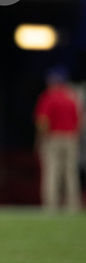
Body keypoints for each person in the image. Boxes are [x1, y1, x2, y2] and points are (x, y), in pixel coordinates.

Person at [34, 66, 81, 212]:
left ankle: (51, 205)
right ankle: (73, 205)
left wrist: (40, 138)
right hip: (71, 138)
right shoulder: (72, 97)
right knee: (71, 172)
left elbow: (42, 121)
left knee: (52, 171)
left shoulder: (49, 97)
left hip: (53, 138)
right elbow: (80, 120)